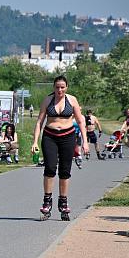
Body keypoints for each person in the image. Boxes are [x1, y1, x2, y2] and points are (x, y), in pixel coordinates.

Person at [31, 75, 89, 221]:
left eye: (62, 87)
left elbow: (81, 121)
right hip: (50, 136)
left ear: (66, 87)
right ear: (54, 87)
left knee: (65, 170)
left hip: (68, 137)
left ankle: (63, 202)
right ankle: (47, 201)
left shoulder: (72, 100)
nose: (60, 90)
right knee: (50, 168)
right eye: (57, 87)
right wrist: (35, 142)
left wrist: (85, 142)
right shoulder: (47, 100)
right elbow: (39, 122)